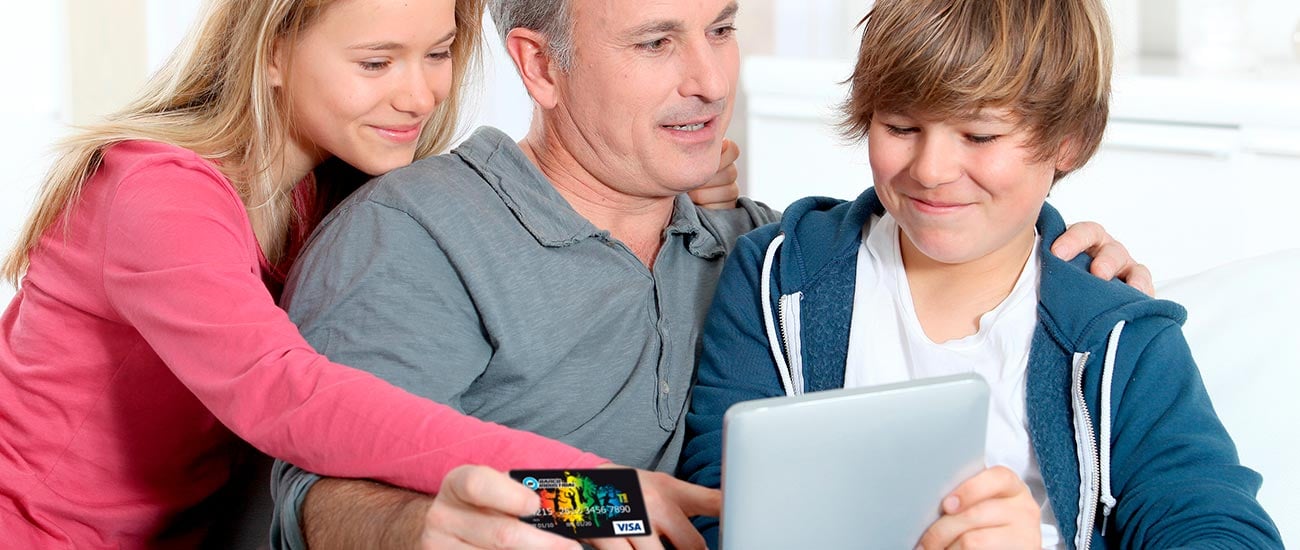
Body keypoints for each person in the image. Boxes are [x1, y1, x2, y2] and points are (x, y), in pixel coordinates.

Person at [267, 0, 1154, 548]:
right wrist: (440, 526)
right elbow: (317, 499)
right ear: (540, 65)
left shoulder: (760, 253)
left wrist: (1062, 269)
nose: (708, 80)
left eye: (721, 29)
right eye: (656, 42)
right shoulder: (413, 233)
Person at [0, 0, 739, 547]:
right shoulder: (155, 192)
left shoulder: (328, 190)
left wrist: (690, 187)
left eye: (437, 53)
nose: (418, 96)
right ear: (272, 53)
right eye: (376, 63)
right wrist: (596, 494)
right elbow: (292, 398)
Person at [679, 0, 1283, 548]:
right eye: (901, 127)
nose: (932, 169)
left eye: (980, 134)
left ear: (1068, 141)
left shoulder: (1118, 336)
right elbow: (715, 504)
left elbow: (1221, 528)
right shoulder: (776, 277)